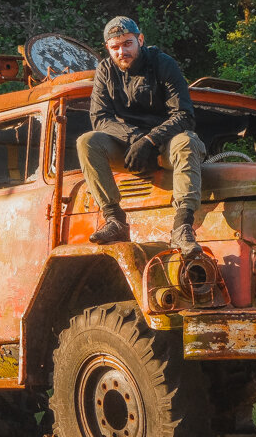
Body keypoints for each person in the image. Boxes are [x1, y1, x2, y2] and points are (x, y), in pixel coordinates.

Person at [77, 16, 205, 258]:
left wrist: (150, 141)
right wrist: (136, 139)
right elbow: (100, 118)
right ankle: (114, 219)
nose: (121, 51)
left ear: (140, 40)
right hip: (128, 148)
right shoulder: (104, 71)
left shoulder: (163, 64)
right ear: (108, 48)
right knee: (87, 142)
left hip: (166, 144)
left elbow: (184, 115)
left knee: (187, 141)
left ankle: (183, 226)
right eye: (115, 47)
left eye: (127, 44)